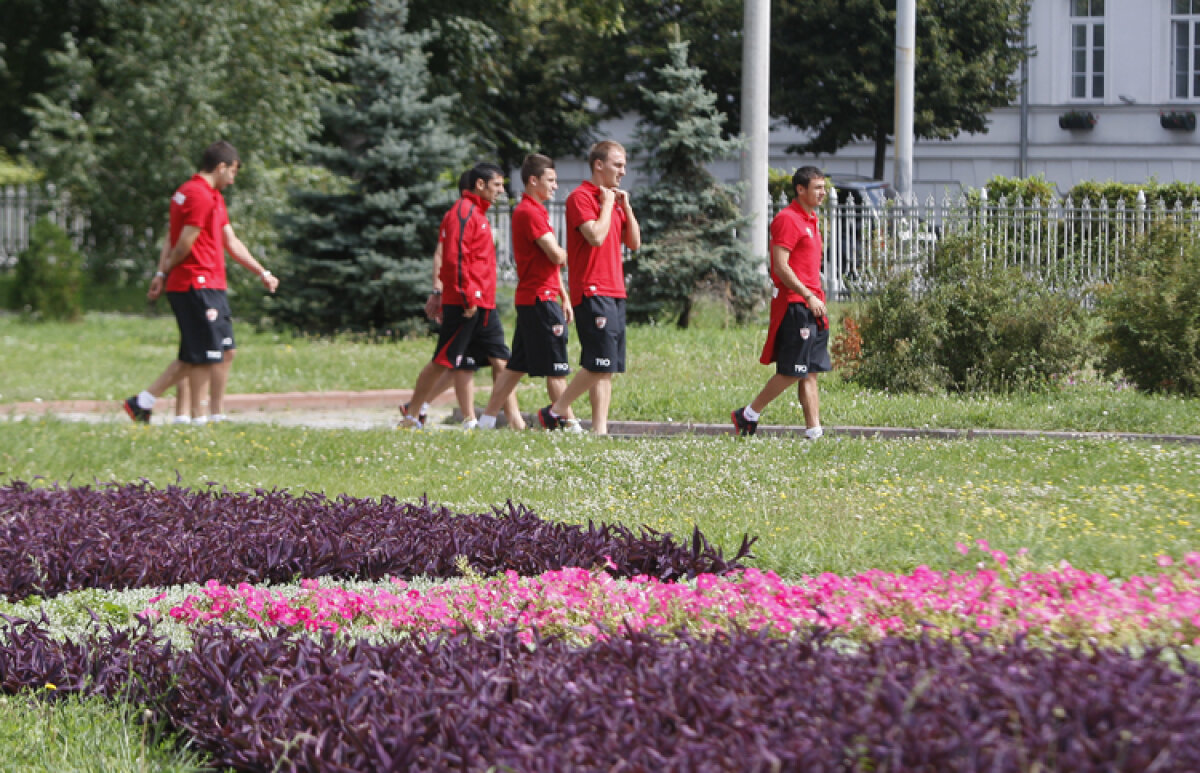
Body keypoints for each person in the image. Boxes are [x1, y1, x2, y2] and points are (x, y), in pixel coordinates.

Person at [123, 141, 278, 424]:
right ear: (221, 167)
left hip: (211, 284)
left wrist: (261, 271)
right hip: (196, 283)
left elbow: (230, 241)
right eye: (232, 172)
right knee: (202, 354)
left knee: (219, 351)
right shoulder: (197, 195)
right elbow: (182, 244)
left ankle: (184, 411)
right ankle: (186, 415)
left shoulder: (210, 196)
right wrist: (165, 271)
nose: (233, 180)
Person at [400, 162, 523, 430]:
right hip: (467, 303)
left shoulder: (478, 214)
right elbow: (455, 258)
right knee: (442, 360)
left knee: (501, 359)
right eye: (497, 185)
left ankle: (513, 422)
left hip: (485, 303)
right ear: (480, 185)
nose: (501, 191)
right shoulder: (463, 213)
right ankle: (411, 415)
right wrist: (467, 298)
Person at [537, 140, 641, 435]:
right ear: (598, 165)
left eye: (624, 165)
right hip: (592, 289)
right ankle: (555, 411)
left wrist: (625, 207)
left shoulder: (615, 201)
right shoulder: (580, 198)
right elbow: (595, 236)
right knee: (599, 361)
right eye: (617, 165)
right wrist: (607, 205)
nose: (623, 171)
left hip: (615, 289)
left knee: (608, 367)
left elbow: (634, 243)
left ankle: (599, 430)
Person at [477, 154, 580, 431]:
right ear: (533, 180)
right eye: (551, 180)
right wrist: (576, 251)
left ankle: (486, 421)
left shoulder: (535, 210)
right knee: (556, 367)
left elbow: (550, 263)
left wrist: (564, 296)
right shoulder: (530, 212)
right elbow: (556, 255)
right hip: (539, 300)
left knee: (515, 367)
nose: (556, 186)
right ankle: (571, 425)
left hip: (536, 297)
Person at [732, 166, 830, 438]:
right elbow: (781, 266)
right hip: (796, 304)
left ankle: (814, 432)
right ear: (800, 189)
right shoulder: (788, 219)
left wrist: (815, 297)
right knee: (794, 370)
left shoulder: (812, 220)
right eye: (817, 188)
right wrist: (807, 295)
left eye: (823, 188)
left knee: (810, 371)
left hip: (814, 305)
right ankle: (748, 414)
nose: (823, 193)